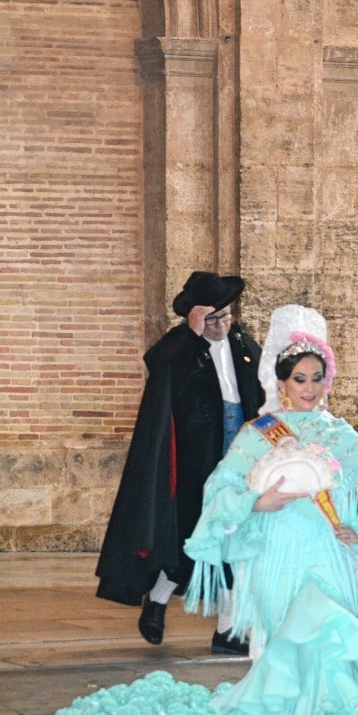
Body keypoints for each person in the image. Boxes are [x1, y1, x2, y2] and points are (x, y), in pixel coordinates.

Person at [56, 305, 358, 715]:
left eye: (317, 378)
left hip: (330, 556)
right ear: (282, 382)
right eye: (299, 379)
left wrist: (357, 529)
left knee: (333, 659)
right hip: (276, 555)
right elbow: (219, 489)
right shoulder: (260, 433)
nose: (310, 388)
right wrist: (258, 502)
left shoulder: (340, 434)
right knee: (290, 664)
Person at [95, 271, 264, 655]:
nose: (222, 325)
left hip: (240, 452)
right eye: (212, 319)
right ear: (196, 317)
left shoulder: (242, 343)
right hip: (194, 458)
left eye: (226, 316)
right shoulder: (180, 345)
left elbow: (263, 387)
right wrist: (192, 335)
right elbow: (160, 366)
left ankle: (227, 629)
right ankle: (160, 600)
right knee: (192, 536)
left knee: (233, 537)